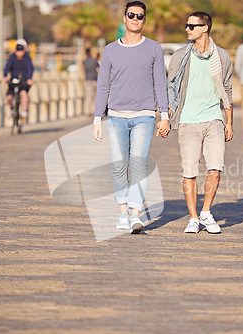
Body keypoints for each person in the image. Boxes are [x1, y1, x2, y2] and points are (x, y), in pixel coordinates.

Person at [91, 1, 169, 234]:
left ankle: (136, 214)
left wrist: (163, 115)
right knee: (118, 166)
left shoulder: (154, 48)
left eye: (140, 16)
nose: (135, 18)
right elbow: (103, 86)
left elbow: (160, 84)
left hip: (145, 116)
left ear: (145, 20)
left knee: (139, 165)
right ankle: (122, 213)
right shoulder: (110, 50)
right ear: (124, 18)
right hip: (116, 116)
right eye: (131, 15)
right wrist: (97, 118)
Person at [167, 11, 233, 234]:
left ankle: (206, 211)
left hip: (214, 118)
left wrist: (229, 122)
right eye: (186, 25)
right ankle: (193, 218)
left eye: (192, 26)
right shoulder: (179, 56)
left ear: (205, 28)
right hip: (187, 121)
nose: (187, 29)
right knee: (190, 172)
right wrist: (165, 118)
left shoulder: (222, 56)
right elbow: (171, 89)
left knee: (215, 168)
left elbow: (227, 91)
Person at [3, 39, 34, 120]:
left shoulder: (27, 58)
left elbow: (30, 68)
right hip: (13, 80)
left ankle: (24, 112)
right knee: (9, 97)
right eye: (18, 51)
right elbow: (7, 67)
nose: (20, 53)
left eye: (21, 51)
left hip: (23, 81)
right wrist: (4, 76)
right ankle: (11, 109)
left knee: (23, 94)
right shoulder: (12, 57)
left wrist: (29, 79)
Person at [82, 48, 99, 116]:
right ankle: (95, 110)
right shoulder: (94, 61)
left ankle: (89, 111)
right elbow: (98, 67)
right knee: (95, 96)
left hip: (87, 80)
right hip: (95, 79)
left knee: (89, 96)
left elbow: (82, 68)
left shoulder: (84, 61)